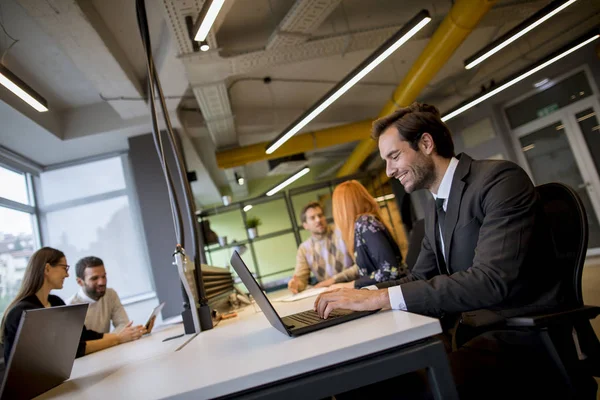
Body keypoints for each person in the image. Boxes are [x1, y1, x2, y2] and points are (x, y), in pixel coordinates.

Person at [313, 102, 579, 399]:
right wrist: (360, 296)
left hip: (519, 339)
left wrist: (379, 298)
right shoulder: (438, 204)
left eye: (394, 156)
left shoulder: (499, 180)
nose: (388, 171)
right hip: (470, 334)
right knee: (365, 382)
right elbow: (418, 278)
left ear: (426, 143)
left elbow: (490, 280)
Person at [1, 247, 146, 363]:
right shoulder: (23, 311)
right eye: (64, 268)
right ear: (47, 269)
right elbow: (71, 350)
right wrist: (117, 339)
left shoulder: (56, 302)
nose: (67, 275)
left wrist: (123, 336)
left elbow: (83, 335)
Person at [328, 180, 407, 289]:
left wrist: (350, 285)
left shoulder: (365, 223)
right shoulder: (362, 225)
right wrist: (336, 280)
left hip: (394, 293)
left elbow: (389, 271)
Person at [287, 202, 355, 293]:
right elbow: (301, 278)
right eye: (312, 218)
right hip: (330, 293)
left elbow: (360, 266)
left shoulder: (343, 232)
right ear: (305, 225)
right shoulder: (304, 249)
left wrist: (333, 280)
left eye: (320, 215)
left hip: (354, 287)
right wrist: (296, 285)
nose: (318, 220)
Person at [67, 256, 130, 333]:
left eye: (103, 276)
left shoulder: (110, 294)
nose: (102, 282)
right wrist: (115, 338)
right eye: (94, 278)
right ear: (80, 282)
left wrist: (112, 339)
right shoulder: (70, 307)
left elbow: (124, 324)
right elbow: (81, 342)